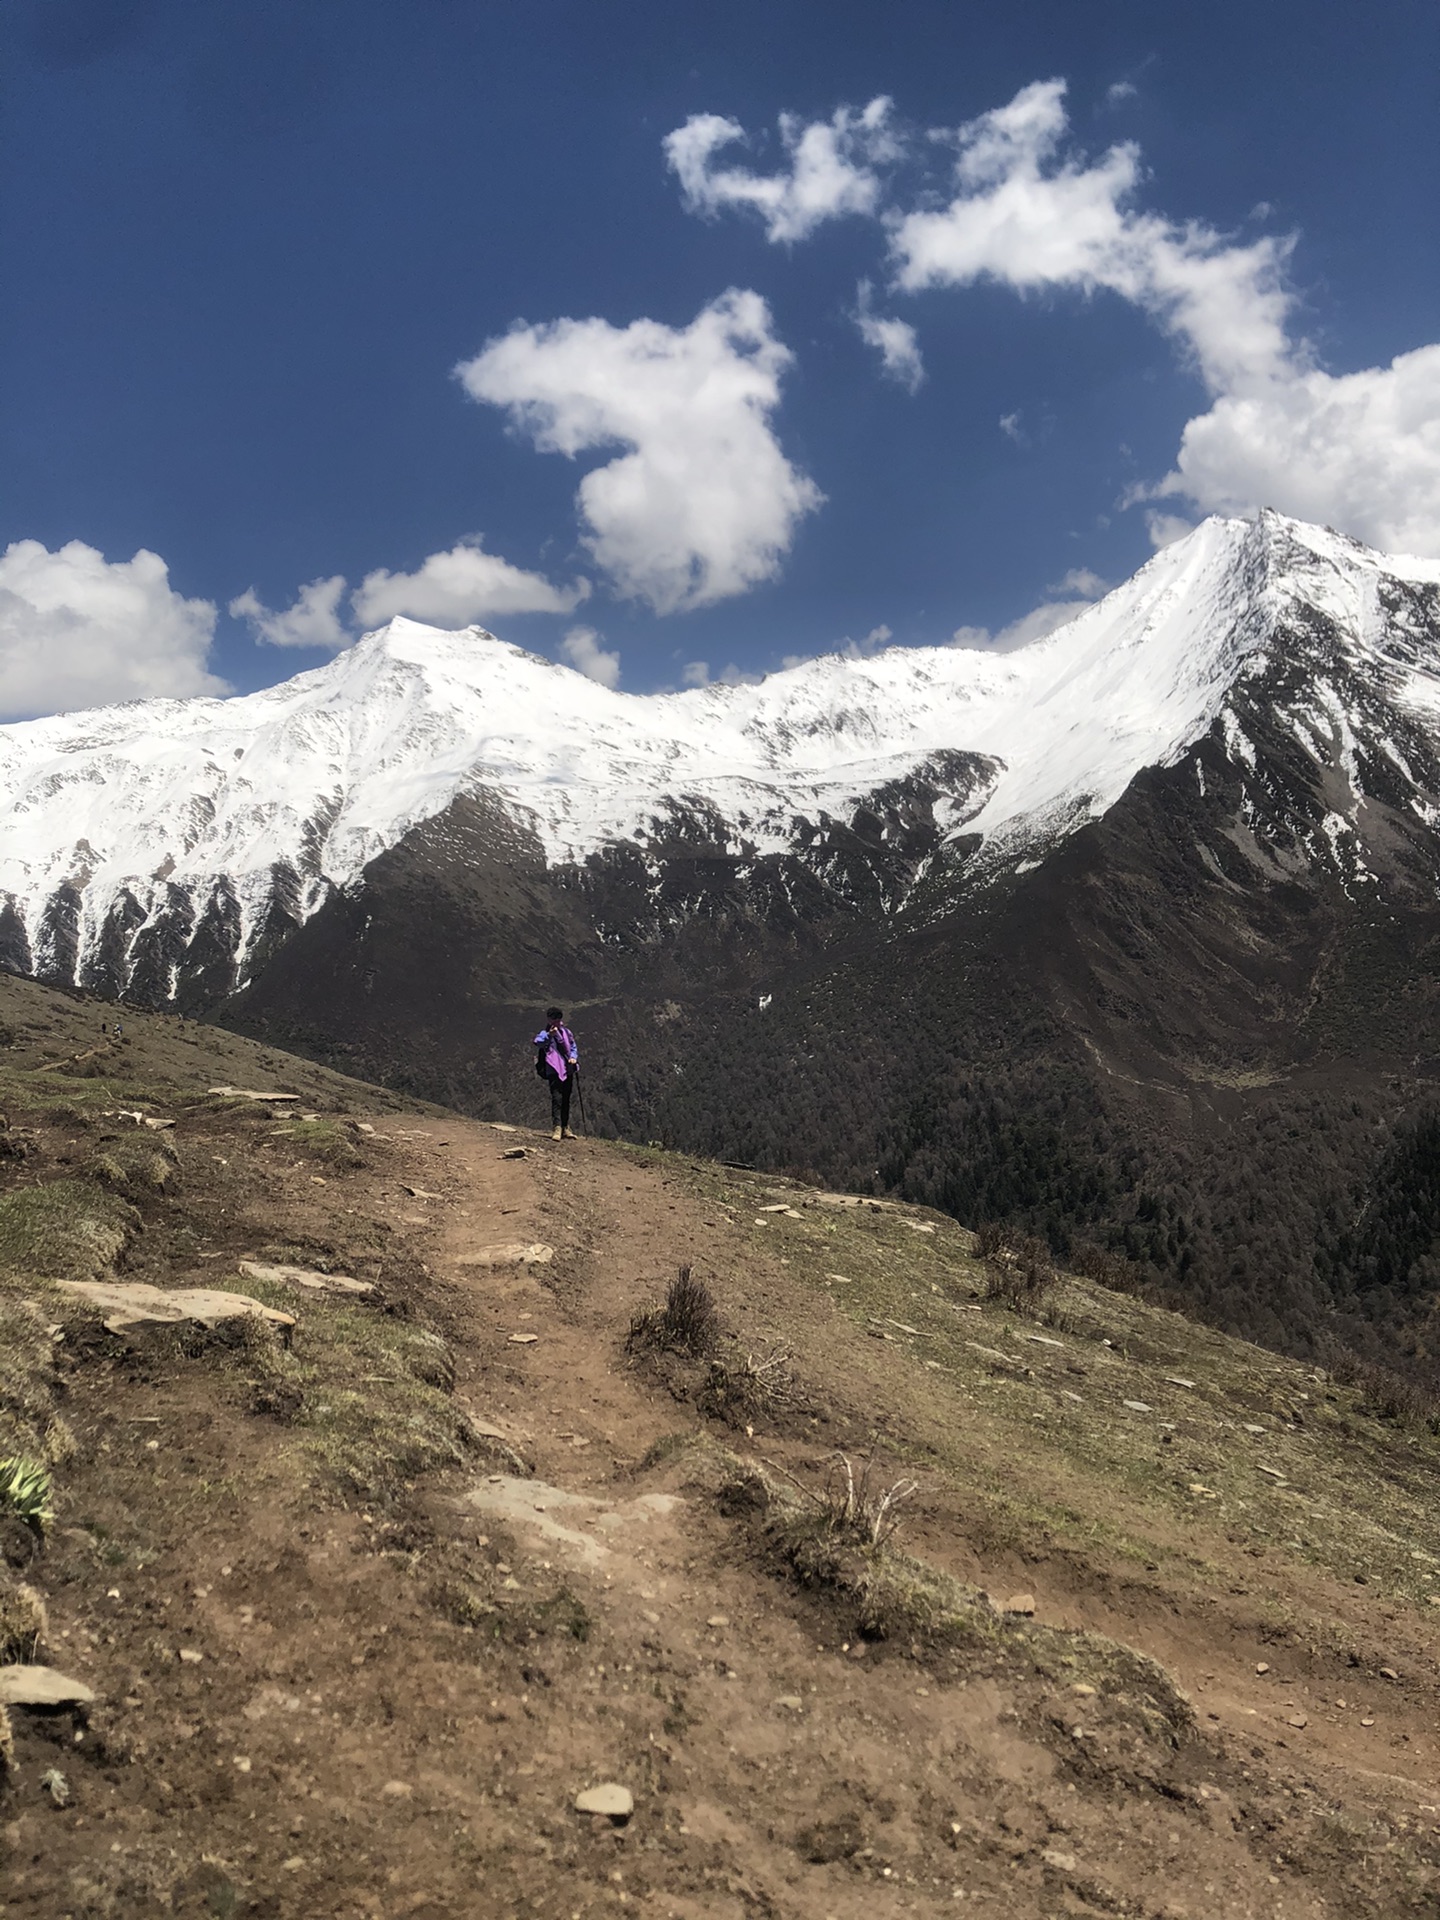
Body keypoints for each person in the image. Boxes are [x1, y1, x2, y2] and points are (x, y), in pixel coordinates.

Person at [534, 1006, 579, 1141]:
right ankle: (557, 1127)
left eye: (558, 1020)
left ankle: (565, 1127)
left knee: (566, 1098)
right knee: (557, 1098)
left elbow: (572, 1046)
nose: (556, 1022)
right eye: (553, 1019)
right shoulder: (545, 1033)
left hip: (567, 1068)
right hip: (553, 1070)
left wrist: (573, 1057)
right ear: (549, 1020)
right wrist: (550, 1035)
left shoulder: (566, 1032)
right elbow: (538, 1042)